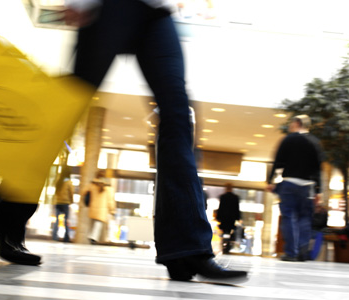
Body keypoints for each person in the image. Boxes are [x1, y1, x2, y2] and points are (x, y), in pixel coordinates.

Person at [61, 0, 247, 282]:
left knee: (178, 114)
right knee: (66, 107)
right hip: (107, 8)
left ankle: (188, 251)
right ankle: (10, 213)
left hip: (155, 11)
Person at [266, 115, 324, 262]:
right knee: (305, 217)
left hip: (289, 184)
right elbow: (318, 169)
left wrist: (270, 180)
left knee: (289, 217)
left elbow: (278, 161)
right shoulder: (315, 142)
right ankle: (302, 252)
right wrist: (319, 191)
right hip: (307, 186)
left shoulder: (289, 139)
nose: (291, 125)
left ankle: (291, 252)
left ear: (297, 123)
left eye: (292, 122)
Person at [82, 176, 115, 244]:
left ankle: (91, 236)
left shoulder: (92, 185)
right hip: (102, 210)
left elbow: (84, 192)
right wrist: (112, 210)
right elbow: (110, 201)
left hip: (93, 207)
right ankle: (93, 237)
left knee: (93, 223)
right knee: (98, 224)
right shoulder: (108, 188)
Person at [216, 183, 241, 254]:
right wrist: (237, 218)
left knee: (224, 232)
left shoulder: (223, 197)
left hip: (224, 218)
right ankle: (228, 246)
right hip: (231, 219)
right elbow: (237, 209)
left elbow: (220, 208)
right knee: (230, 232)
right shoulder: (235, 197)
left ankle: (223, 245)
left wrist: (218, 218)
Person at [52, 167, 74, 242]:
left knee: (57, 220)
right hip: (65, 203)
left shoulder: (59, 181)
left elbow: (56, 192)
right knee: (66, 220)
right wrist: (71, 201)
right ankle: (66, 237)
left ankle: (54, 236)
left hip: (58, 202)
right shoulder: (69, 182)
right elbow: (71, 193)